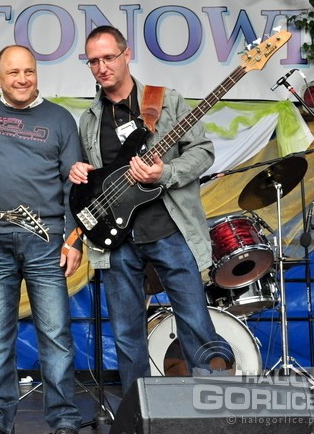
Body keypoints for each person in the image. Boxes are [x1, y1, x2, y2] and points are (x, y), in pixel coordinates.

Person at [68, 25, 230, 393]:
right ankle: (136, 412)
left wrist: (165, 173)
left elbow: (202, 152)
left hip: (168, 230)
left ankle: (215, 404)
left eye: (109, 57)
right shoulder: (89, 119)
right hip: (117, 242)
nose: (101, 67)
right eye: (93, 61)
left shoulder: (165, 100)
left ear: (126, 55)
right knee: (127, 334)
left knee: (196, 323)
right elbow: (98, 178)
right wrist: (80, 172)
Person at [0, 45, 83, 434]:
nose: (22, 79)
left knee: (56, 337)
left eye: (28, 71)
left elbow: (75, 186)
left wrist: (74, 239)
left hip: (46, 242)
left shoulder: (60, 119)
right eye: (13, 72)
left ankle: (63, 420)